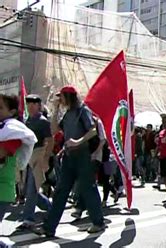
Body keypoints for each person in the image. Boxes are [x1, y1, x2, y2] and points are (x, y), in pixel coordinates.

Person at [34, 86, 106, 237]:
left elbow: (92, 130)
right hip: (69, 157)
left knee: (88, 189)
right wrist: (55, 109)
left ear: (69, 97)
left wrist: (77, 141)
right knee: (61, 191)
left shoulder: (82, 110)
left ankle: (98, 222)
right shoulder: (67, 114)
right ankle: (49, 227)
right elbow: (54, 130)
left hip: (82, 156)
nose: (60, 99)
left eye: (62, 97)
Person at [17, 94, 54, 230]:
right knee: (28, 189)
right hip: (28, 156)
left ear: (39, 105)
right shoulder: (28, 121)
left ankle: (29, 219)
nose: (30, 106)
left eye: (33, 104)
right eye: (28, 104)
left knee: (32, 189)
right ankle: (51, 208)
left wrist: (46, 159)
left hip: (38, 155)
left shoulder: (43, 121)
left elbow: (50, 141)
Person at [0, 94, 36, 223]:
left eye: (0, 108)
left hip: (2, 190)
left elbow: (1, 153)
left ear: (12, 112)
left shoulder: (12, 133)